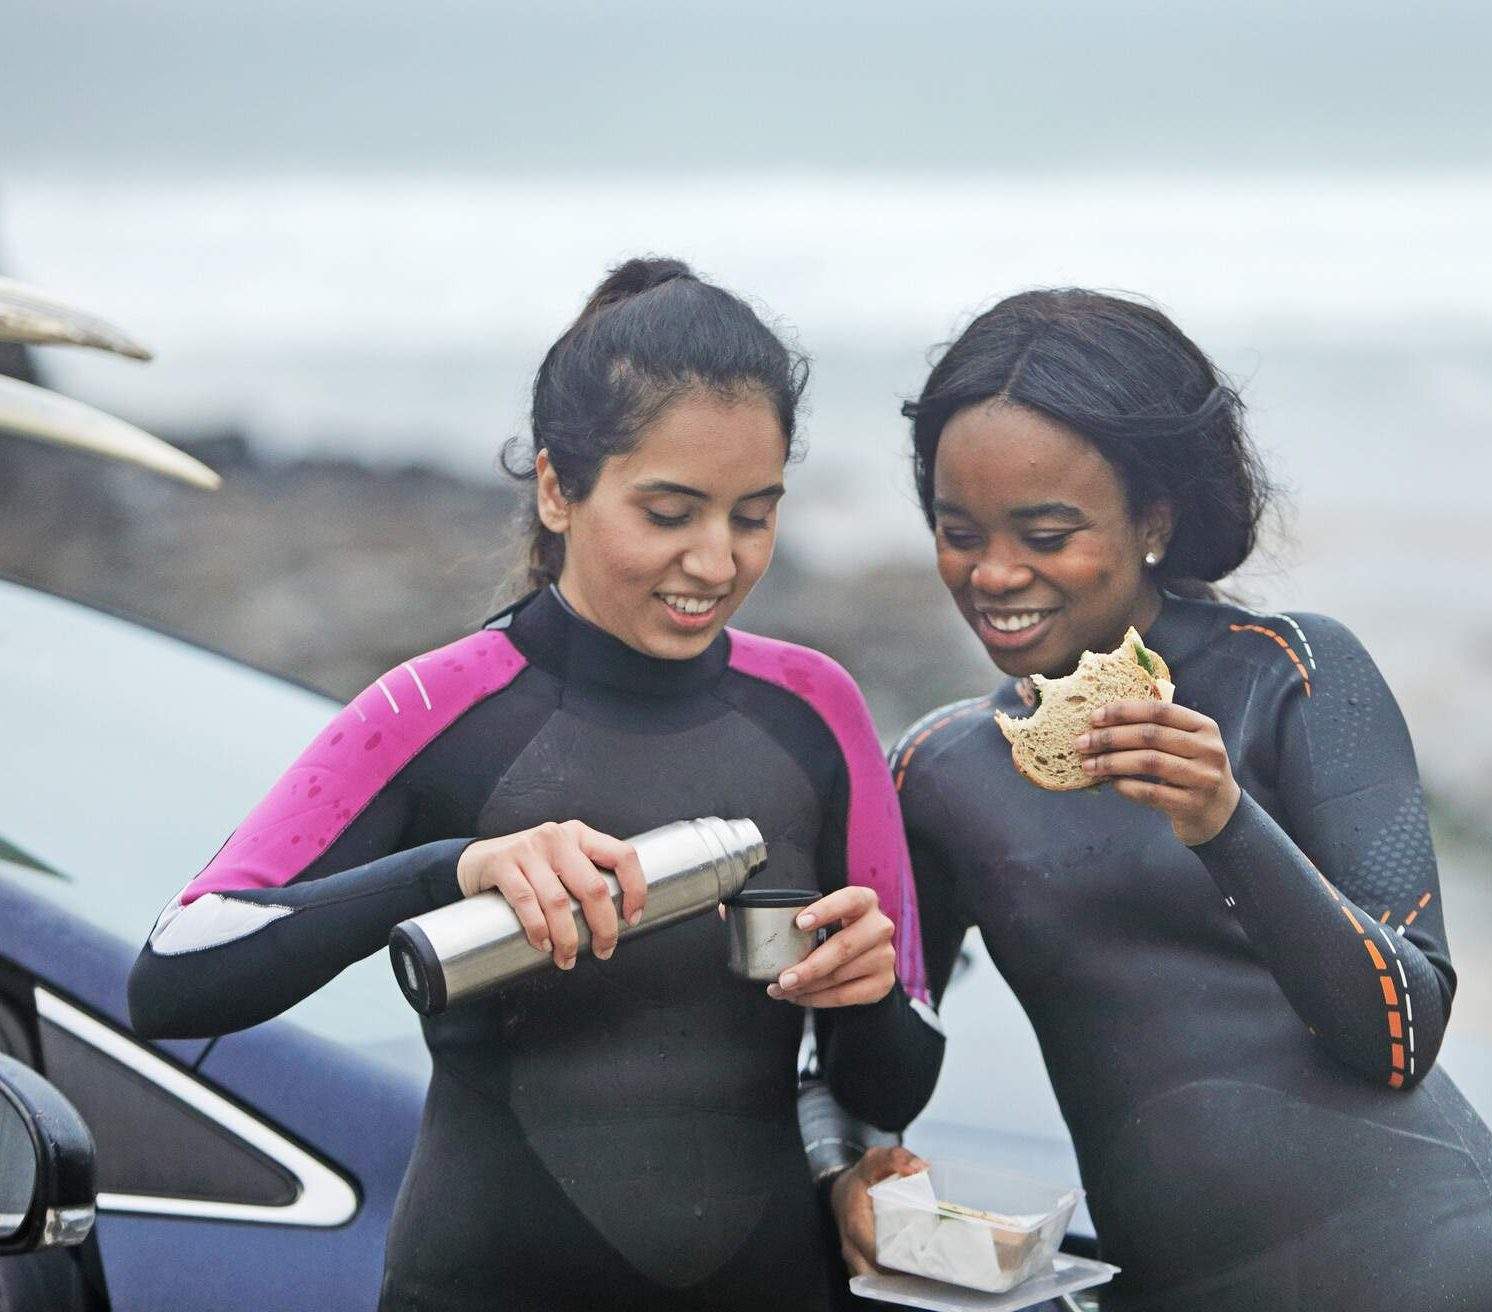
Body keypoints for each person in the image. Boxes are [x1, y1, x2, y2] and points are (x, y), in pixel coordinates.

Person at [126, 258, 944, 1312]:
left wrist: (869, 992)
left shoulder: (813, 710)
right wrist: (448, 873)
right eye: (668, 512)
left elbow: (890, 1084)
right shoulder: (437, 706)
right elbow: (175, 975)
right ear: (558, 487)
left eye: (752, 514)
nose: (715, 559)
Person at [827, 289, 1492, 1310]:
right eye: (959, 531)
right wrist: (858, 1029)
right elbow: (881, 1087)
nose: (994, 573)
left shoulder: (1289, 675)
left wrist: (1225, 823)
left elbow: (1399, 1032)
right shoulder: (941, 771)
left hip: (1422, 1269)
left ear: (1153, 519)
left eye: (1045, 533)